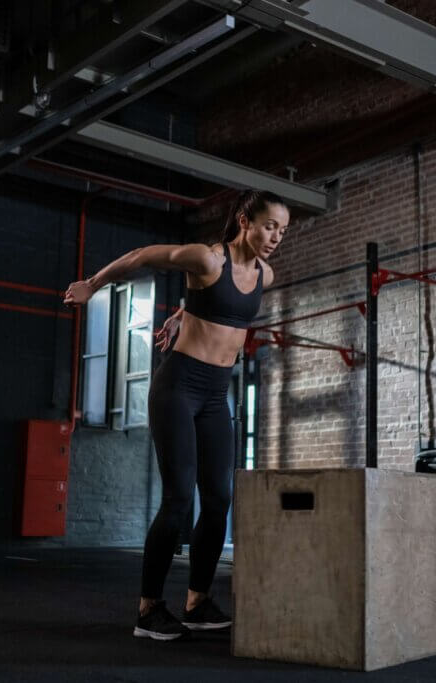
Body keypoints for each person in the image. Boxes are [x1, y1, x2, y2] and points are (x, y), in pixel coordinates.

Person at [63, 190, 289, 640]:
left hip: (215, 395)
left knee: (220, 498)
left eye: (282, 230)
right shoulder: (207, 259)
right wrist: (93, 284)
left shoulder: (264, 274)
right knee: (179, 498)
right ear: (245, 220)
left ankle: (198, 600)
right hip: (179, 388)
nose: (275, 237)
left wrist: (184, 314)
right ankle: (148, 610)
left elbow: (217, 311)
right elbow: (143, 255)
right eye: (269, 226)